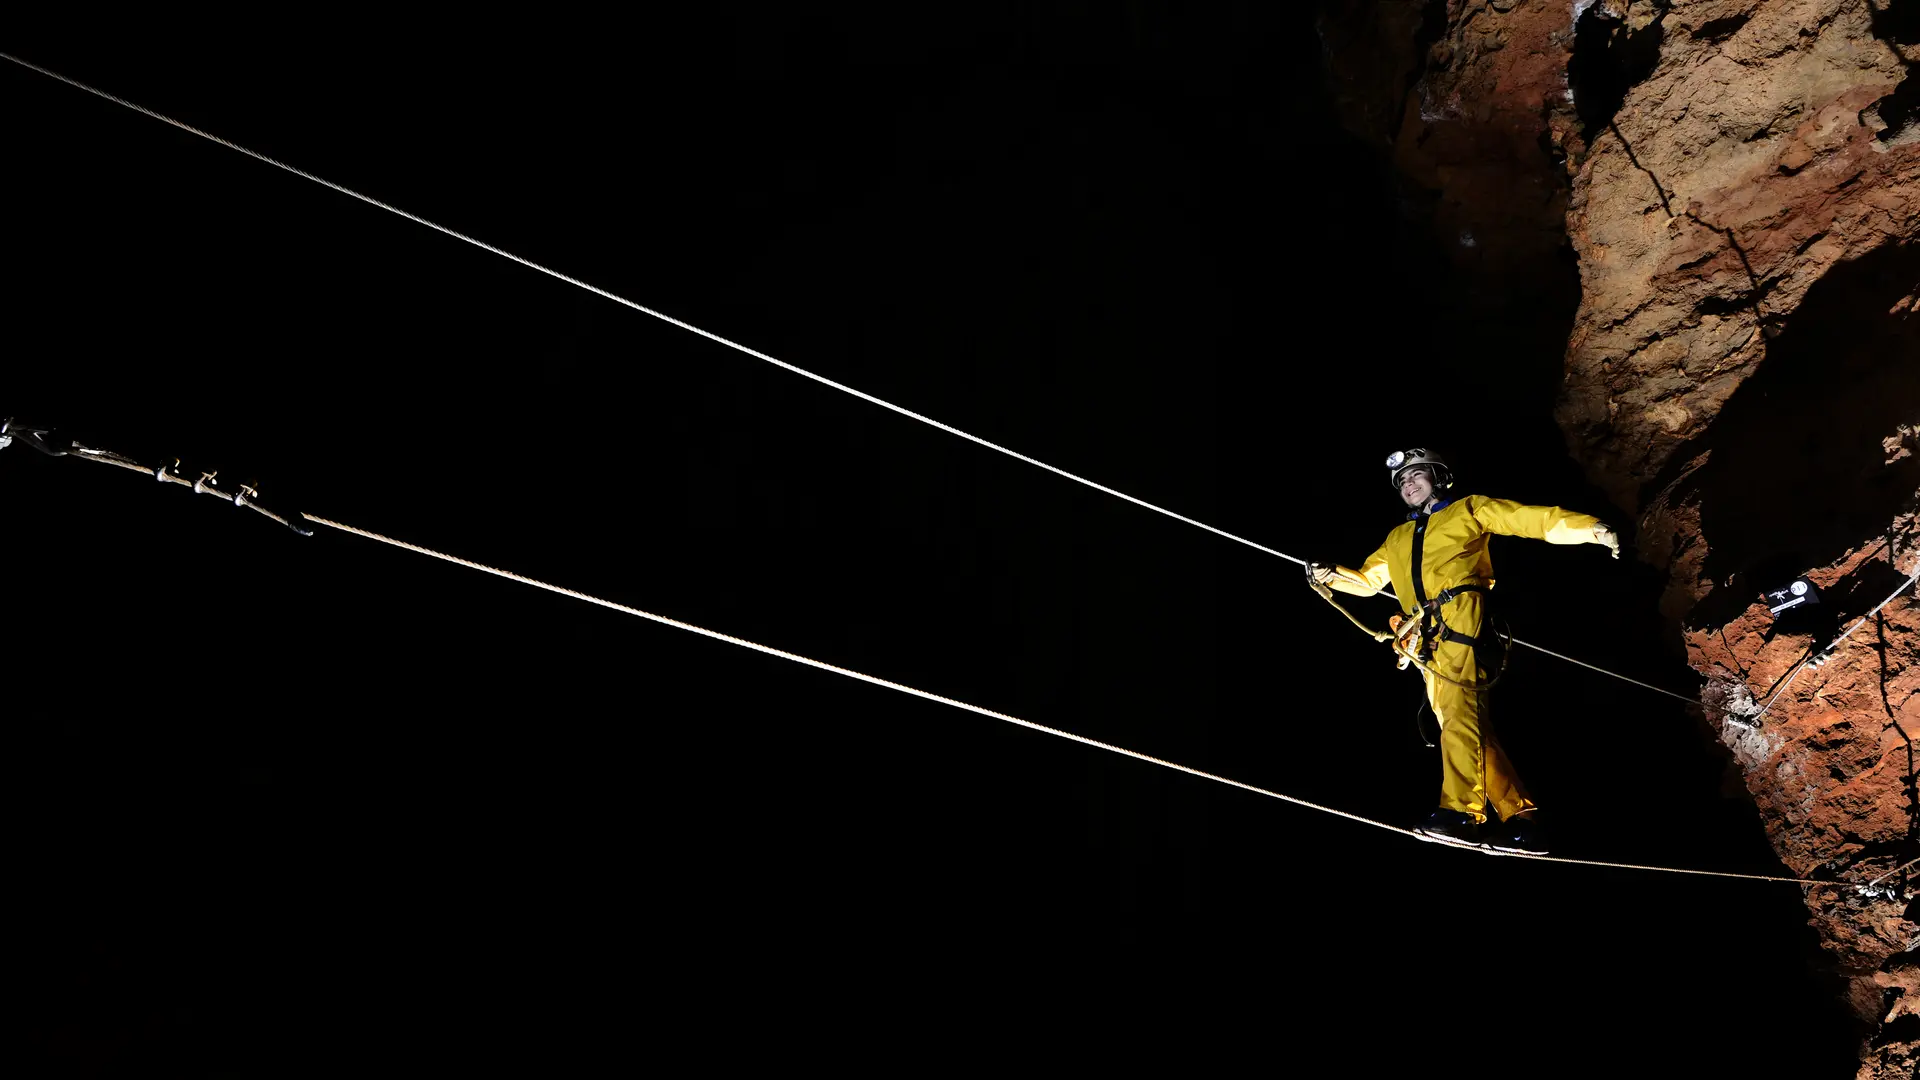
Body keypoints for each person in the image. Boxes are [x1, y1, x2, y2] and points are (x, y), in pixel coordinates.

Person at [1307, 449, 1620, 854]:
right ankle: (1522, 821)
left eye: (1416, 475)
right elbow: (1368, 581)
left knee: (1458, 717)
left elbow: (1528, 519)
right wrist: (1332, 575)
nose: (1408, 484)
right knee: (1464, 723)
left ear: (1438, 477)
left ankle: (1461, 813)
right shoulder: (1397, 538)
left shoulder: (1468, 510)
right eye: (1402, 481)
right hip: (1423, 635)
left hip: (1459, 615)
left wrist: (1589, 529)